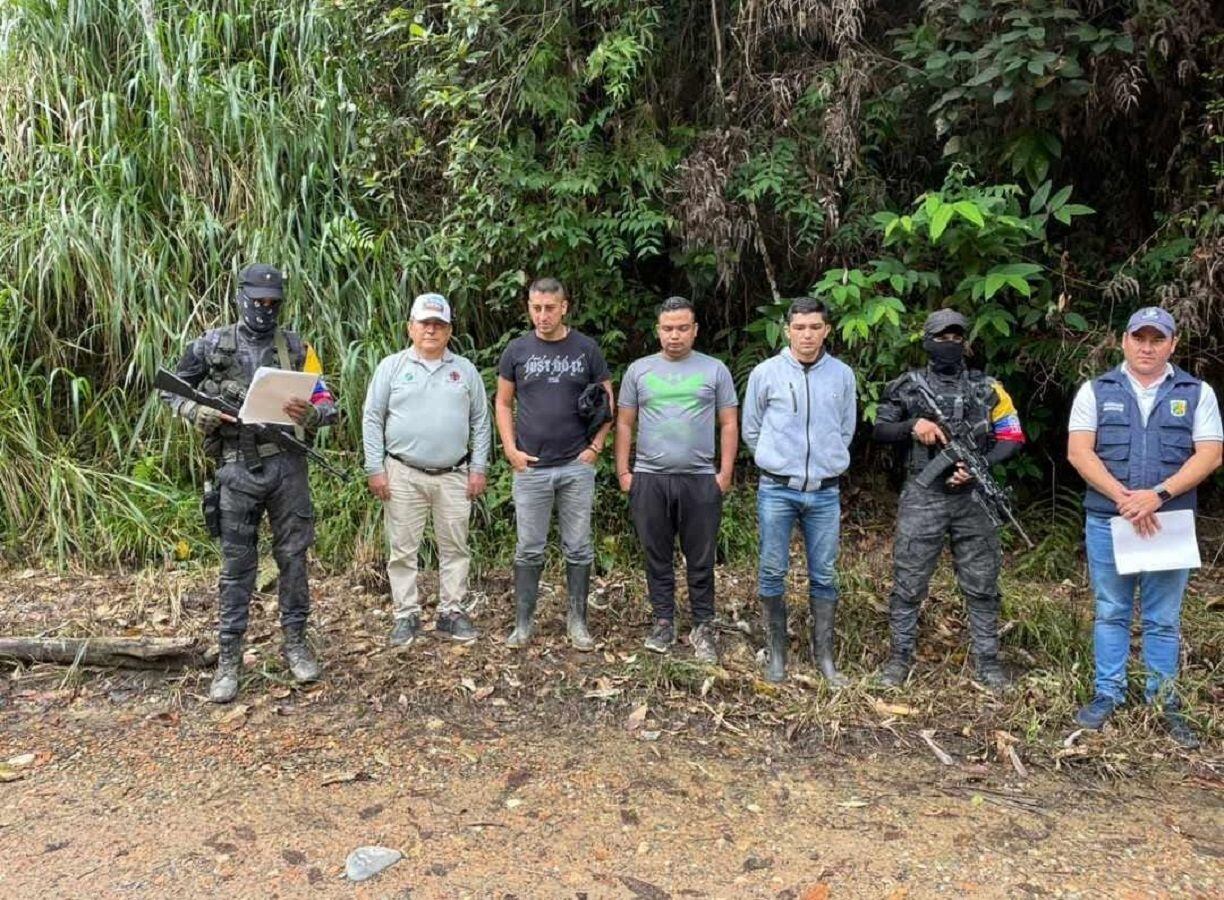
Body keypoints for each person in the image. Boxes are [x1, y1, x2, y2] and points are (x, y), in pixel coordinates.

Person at [162, 264, 337, 703]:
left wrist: (314, 413)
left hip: (287, 466)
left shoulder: (296, 347)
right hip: (236, 468)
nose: (265, 309)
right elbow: (170, 389)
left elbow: (326, 399)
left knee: (293, 560)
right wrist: (195, 412)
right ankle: (229, 659)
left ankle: (296, 645)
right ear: (242, 297)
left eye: (273, 302)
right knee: (236, 567)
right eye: (258, 301)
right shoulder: (211, 344)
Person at [1066, 306, 1221, 748]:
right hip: (1109, 519)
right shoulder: (1096, 390)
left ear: (1173, 344)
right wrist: (1125, 498)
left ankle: (1164, 702)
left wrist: (1157, 496)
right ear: (1124, 341)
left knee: (1163, 619)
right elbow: (1079, 452)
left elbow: (1210, 453)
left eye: (1157, 339)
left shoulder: (1197, 392)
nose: (1147, 347)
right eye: (1139, 338)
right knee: (1111, 610)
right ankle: (1107, 694)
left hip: (1168, 521)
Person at [872, 308, 1025, 690]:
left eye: (957, 338)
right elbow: (880, 429)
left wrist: (979, 466)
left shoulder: (989, 388)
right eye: (942, 338)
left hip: (972, 497)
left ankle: (988, 662)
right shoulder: (906, 386)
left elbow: (1011, 436)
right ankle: (899, 659)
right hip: (923, 494)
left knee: (982, 583)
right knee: (909, 581)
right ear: (927, 341)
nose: (950, 344)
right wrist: (914, 425)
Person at [362, 293, 492, 647]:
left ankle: (452, 612)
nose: (431, 330)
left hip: (454, 474)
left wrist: (479, 467)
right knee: (403, 550)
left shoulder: (464, 370)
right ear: (411, 327)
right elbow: (372, 418)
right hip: (403, 472)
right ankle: (406, 615)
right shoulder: (391, 367)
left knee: (456, 547)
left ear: (449, 330)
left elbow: (481, 421)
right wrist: (375, 467)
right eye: (425, 323)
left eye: (439, 324)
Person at [614, 296, 738, 663]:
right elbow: (625, 423)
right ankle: (663, 621)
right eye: (668, 328)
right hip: (650, 478)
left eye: (682, 328)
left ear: (695, 330)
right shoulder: (639, 371)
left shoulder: (715, 370)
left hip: (700, 478)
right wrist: (624, 472)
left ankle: (703, 624)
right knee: (657, 555)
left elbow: (729, 423)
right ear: (658, 330)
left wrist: (724, 473)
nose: (675, 335)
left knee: (701, 557)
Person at [495, 277, 614, 650]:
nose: (542, 315)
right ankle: (523, 624)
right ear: (529, 307)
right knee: (529, 547)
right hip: (531, 467)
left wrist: (595, 447)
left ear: (564, 307)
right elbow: (503, 402)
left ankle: (577, 622)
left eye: (549, 308)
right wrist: (510, 449)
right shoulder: (516, 350)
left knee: (578, 546)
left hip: (576, 465)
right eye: (536, 308)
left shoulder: (586, 349)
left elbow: (607, 402)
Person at [742, 298, 856, 684]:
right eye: (800, 327)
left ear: (827, 330)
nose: (807, 335)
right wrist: (775, 459)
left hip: (824, 492)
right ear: (787, 330)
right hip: (778, 489)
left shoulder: (842, 375)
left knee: (824, 573)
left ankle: (825, 658)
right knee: (772, 569)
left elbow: (845, 428)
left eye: (815, 327)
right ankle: (777, 654)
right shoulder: (766, 373)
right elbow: (752, 428)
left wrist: (826, 462)